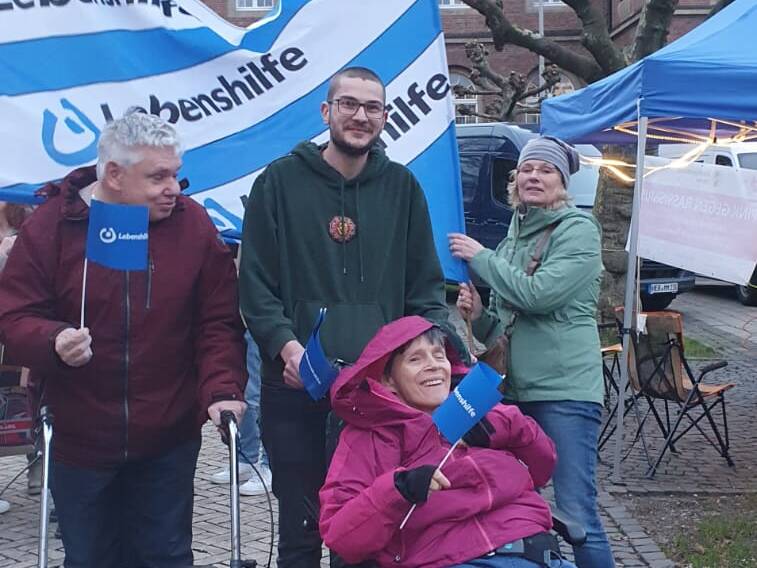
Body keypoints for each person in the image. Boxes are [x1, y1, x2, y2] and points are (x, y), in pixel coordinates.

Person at [0, 111, 247, 568]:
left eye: (175, 173)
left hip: (168, 435)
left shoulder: (192, 225)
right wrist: (53, 340)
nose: (174, 187)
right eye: (158, 177)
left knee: (166, 556)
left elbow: (218, 321)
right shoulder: (52, 225)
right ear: (113, 173)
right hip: (80, 436)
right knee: (91, 557)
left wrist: (222, 389)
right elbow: (15, 315)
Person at [240, 66, 455, 567]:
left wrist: (428, 355)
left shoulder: (403, 187)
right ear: (326, 112)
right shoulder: (278, 182)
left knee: (366, 531)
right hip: (296, 389)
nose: (361, 116)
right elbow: (255, 286)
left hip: (377, 398)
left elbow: (425, 288)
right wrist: (285, 347)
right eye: (349, 104)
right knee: (299, 527)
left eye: (372, 107)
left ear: (384, 116)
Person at [448, 136, 614, 568]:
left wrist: (481, 258)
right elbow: (501, 327)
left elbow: (540, 296)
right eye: (526, 170)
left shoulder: (578, 230)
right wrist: (480, 312)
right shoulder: (512, 238)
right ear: (514, 179)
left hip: (564, 392)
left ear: (562, 183)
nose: (533, 177)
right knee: (527, 509)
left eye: (545, 170)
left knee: (577, 512)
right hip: (516, 392)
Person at [320, 316, 575, 568]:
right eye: (415, 359)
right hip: (447, 557)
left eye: (439, 355)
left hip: (530, 547)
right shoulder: (370, 435)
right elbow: (342, 537)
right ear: (388, 380)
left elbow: (544, 466)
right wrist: (398, 489)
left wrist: (509, 426)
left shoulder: (475, 407)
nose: (433, 365)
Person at [211, 331, 272, 495]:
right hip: (247, 323)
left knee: (265, 395)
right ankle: (245, 458)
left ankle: (269, 466)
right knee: (246, 394)